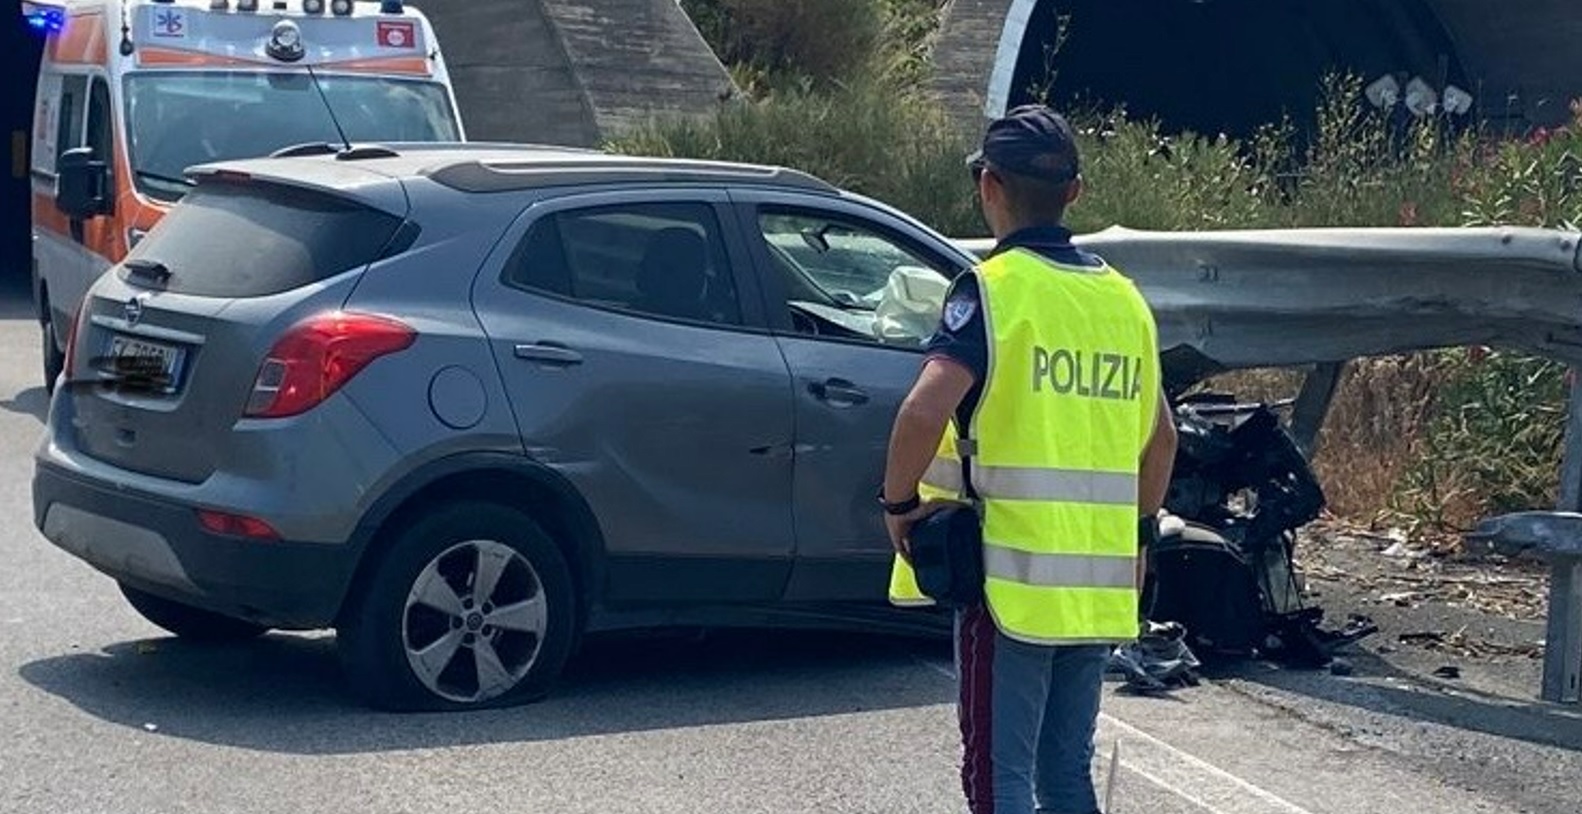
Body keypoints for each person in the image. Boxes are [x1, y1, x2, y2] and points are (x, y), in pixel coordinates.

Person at [879, 104, 1178, 814]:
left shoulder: (994, 290)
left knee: (998, 775)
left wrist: (896, 506)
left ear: (988, 185)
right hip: (1100, 579)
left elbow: (923, 409)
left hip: (1006, 581)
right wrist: (1137, 537)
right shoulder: (1124, 301)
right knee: (1066, 770)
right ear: (1074, 193)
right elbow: (1161, 437)